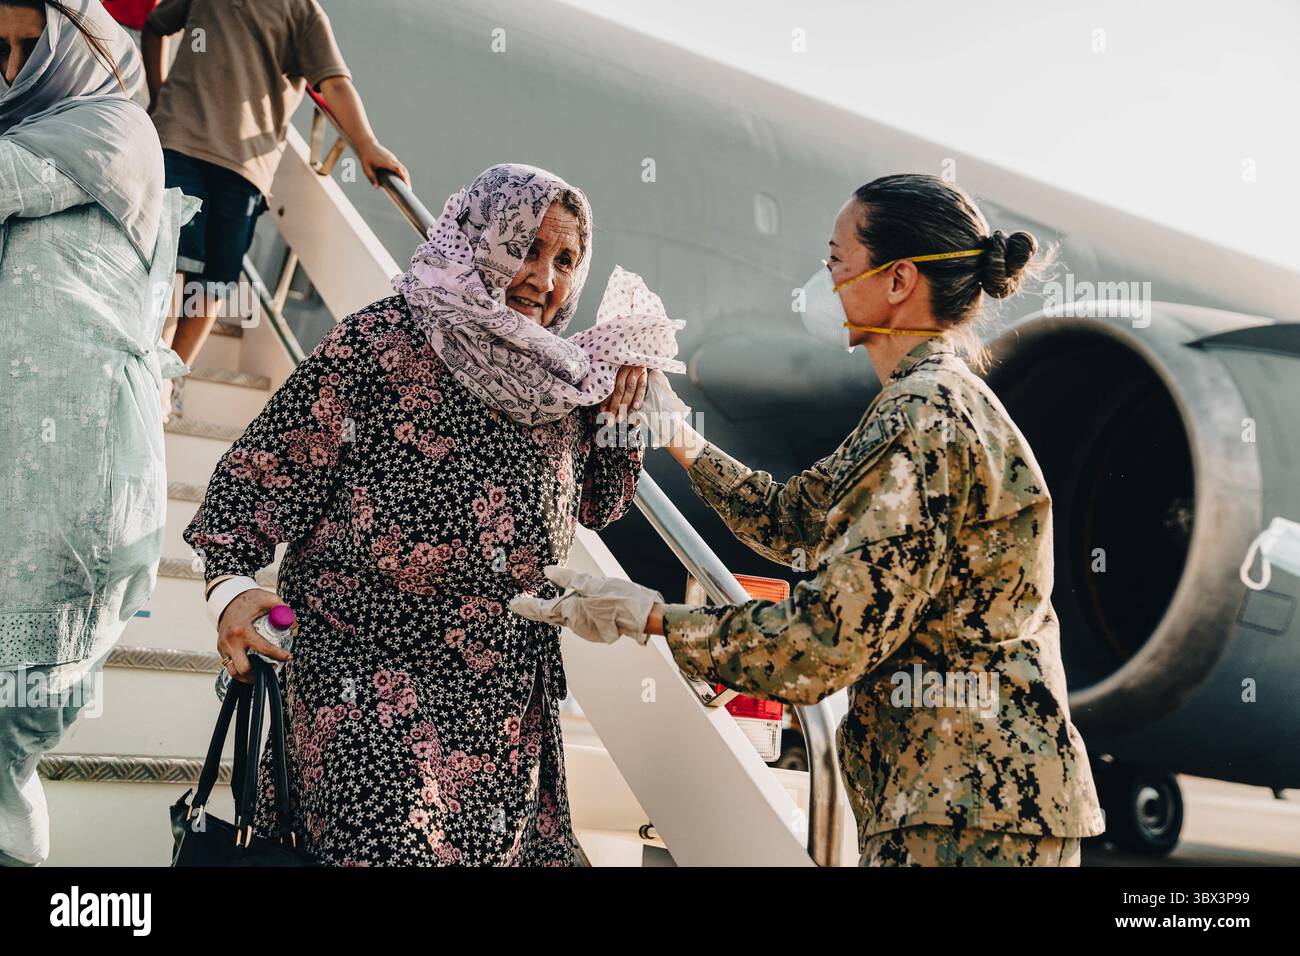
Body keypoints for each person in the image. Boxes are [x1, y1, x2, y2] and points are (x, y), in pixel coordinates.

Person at [511, 173, 1108, 867]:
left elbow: (823, 643)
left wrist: (650, 618)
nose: (826, 280)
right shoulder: (928, 403)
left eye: (838, 259)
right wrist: (681, 435)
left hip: (966, 808)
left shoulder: (920, 420)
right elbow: (793, 521)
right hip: (972, 801)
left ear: (898, 280)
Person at [183, 164, 686, 865]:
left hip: (498, 701)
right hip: (364, 674)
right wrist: (231, 590)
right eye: (525, 248)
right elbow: (258, 473)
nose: (544, 279)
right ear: (480, 241)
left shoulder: (565, 381)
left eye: (566, 260)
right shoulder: (384, 341)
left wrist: (623, 404)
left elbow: (600, 506)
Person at [0, 0, 192, 866]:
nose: (11, 68)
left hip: (76, 478)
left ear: (78, 46)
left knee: (13, 725)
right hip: (22, 467)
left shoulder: (114, 128)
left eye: (28, 45)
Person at [140, 0, 409, 418]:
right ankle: (149, 377)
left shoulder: (303, 14)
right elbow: (156, 26)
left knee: (213, 284)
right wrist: (159, 98)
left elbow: (335, 85)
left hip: (245, 168)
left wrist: (366, 145)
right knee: (172, 265)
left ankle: (171, 377)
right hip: (179, 143)